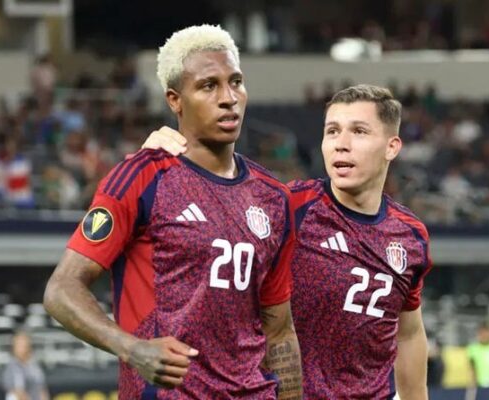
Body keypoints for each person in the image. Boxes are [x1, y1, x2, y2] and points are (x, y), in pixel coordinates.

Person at [44, 25, 302, 400]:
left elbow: (279, 333)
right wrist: (132, 349)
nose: (228, 98)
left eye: (236, 82)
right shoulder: (142, 177)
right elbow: (61, 289)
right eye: (208, 86)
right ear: (175, 100)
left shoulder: (274, 197)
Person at [143, 84, 433, 399]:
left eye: (359, 132)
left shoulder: (410, 236)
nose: (341, 144)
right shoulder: (289, 205)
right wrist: (164, 165)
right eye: (332, 131)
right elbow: (214, 197)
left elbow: (409, 334)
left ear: (391, 147)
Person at [1, 331, 49, 400]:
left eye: (24, 344)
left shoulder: (34, 365)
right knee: (12, 396)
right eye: (19, 345)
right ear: (14, 347)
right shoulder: (12, 367)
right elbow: (18, 392)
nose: (22, 348)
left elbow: (42, 388)